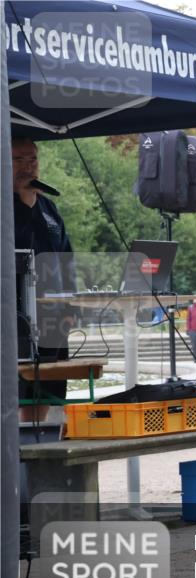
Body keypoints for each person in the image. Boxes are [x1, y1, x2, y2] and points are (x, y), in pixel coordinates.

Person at [13, 137, 77, 422]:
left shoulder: (50, 208)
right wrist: (23, 203)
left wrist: (71, 306)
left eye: (33, 160)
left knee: (45, 390)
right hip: (14, 317)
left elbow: (65, 258)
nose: (28, 167)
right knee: (14, 389)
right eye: (19, 160)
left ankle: (34, 448)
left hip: (51, 316)